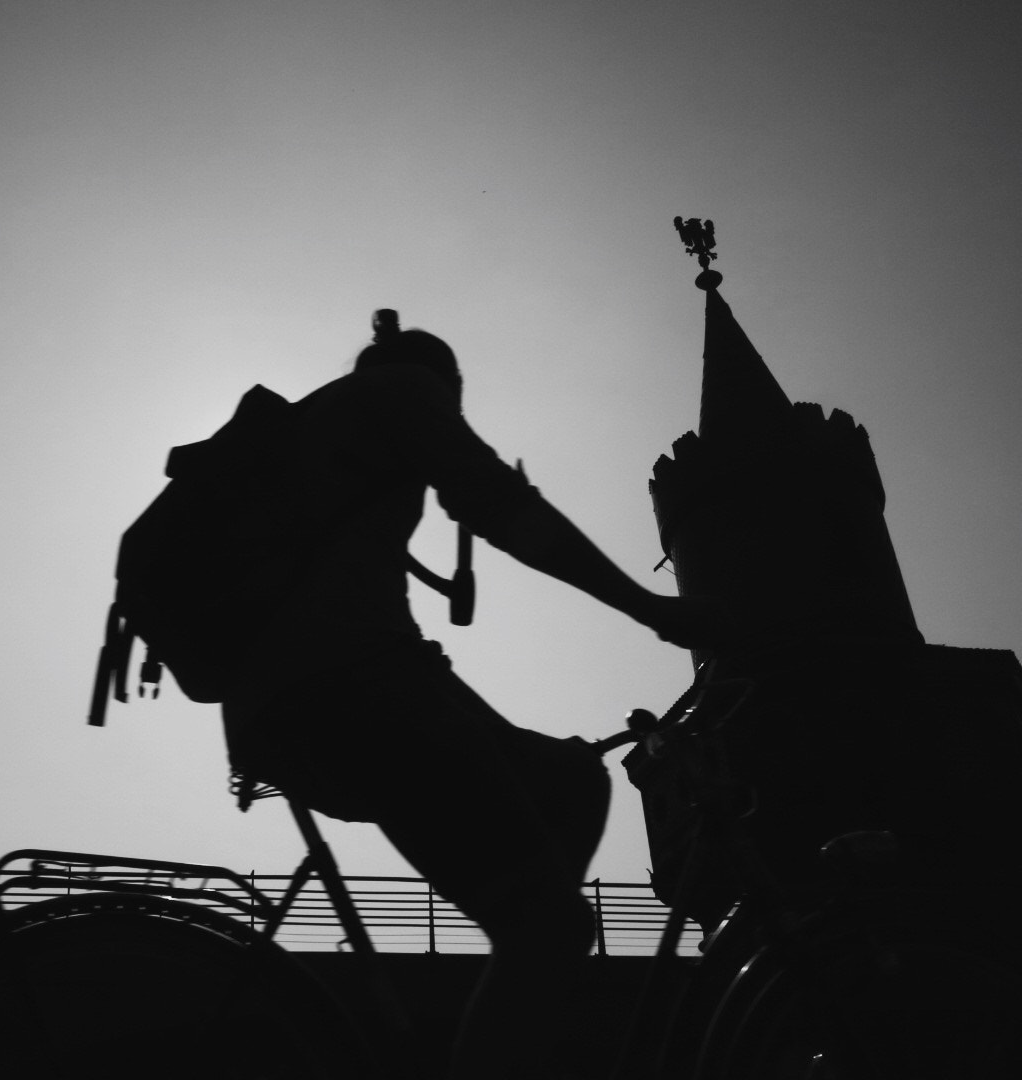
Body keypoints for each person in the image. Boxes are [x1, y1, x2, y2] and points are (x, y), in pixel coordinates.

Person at [222, 313, 713, 1079]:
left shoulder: (320, 430)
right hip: (353, 685)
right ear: (442, 382)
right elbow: (502, 508)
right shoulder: (403, 392)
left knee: (571, 781)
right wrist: (653, 610)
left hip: (295, 701)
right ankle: (525, 973)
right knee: (548, 926)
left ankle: (517, 988)